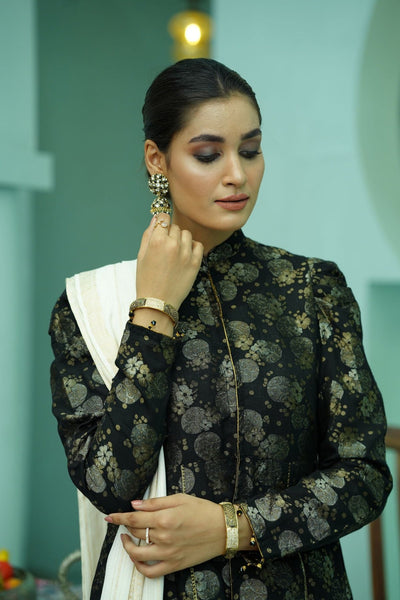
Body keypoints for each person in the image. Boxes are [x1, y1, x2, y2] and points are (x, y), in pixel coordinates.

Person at [49, 58, 392, 600]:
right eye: (208, 155)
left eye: (250, 150)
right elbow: (109, 485)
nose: (237, 174)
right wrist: (155, 309)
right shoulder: (91, 304)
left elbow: (365, 475)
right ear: (157, 160)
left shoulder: (312, 291)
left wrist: (232, 528)